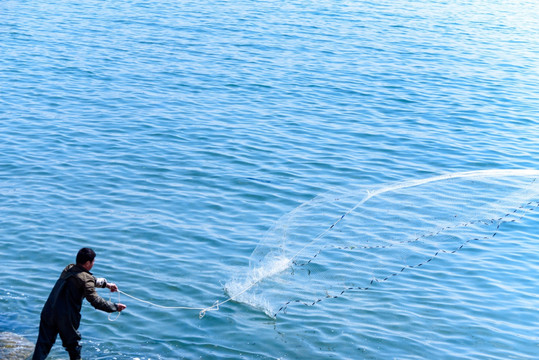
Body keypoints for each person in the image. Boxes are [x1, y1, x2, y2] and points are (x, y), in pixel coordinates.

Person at [32, 248, 126, 360]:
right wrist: (115, 307)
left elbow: (86, 279)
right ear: (88, 263)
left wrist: (106, 284)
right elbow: (95, 301)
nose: (93, 264)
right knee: (73, 347)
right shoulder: (85, 279)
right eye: (93, 262)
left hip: (49, 311)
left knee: (42, 345)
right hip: (66, 318)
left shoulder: (68, 268)